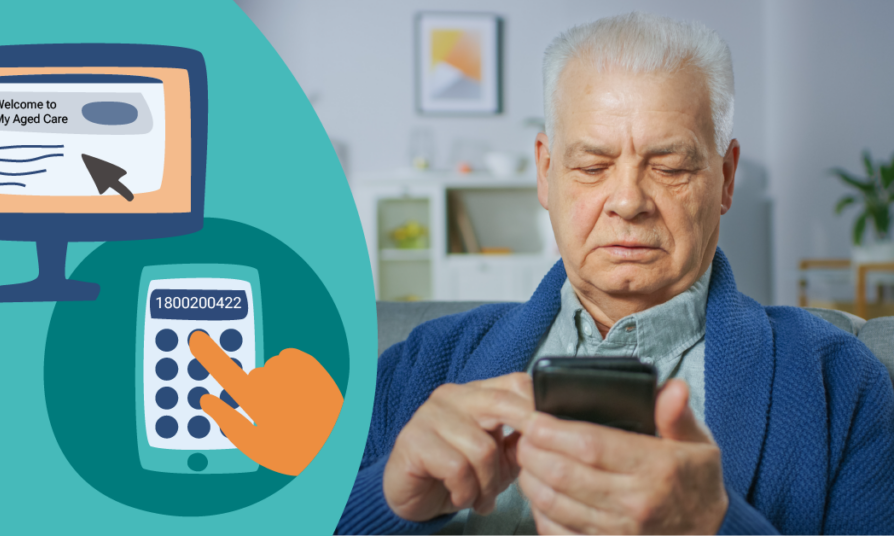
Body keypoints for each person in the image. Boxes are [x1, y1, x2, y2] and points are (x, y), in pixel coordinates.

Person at [337, 12, 894, 536]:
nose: (627, 201)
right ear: (545, 172)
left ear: (725, 178)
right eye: (592, 166)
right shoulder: (421, 364)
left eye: (670, 166)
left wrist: (714, 523)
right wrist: (385, 501)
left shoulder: (840, 384)